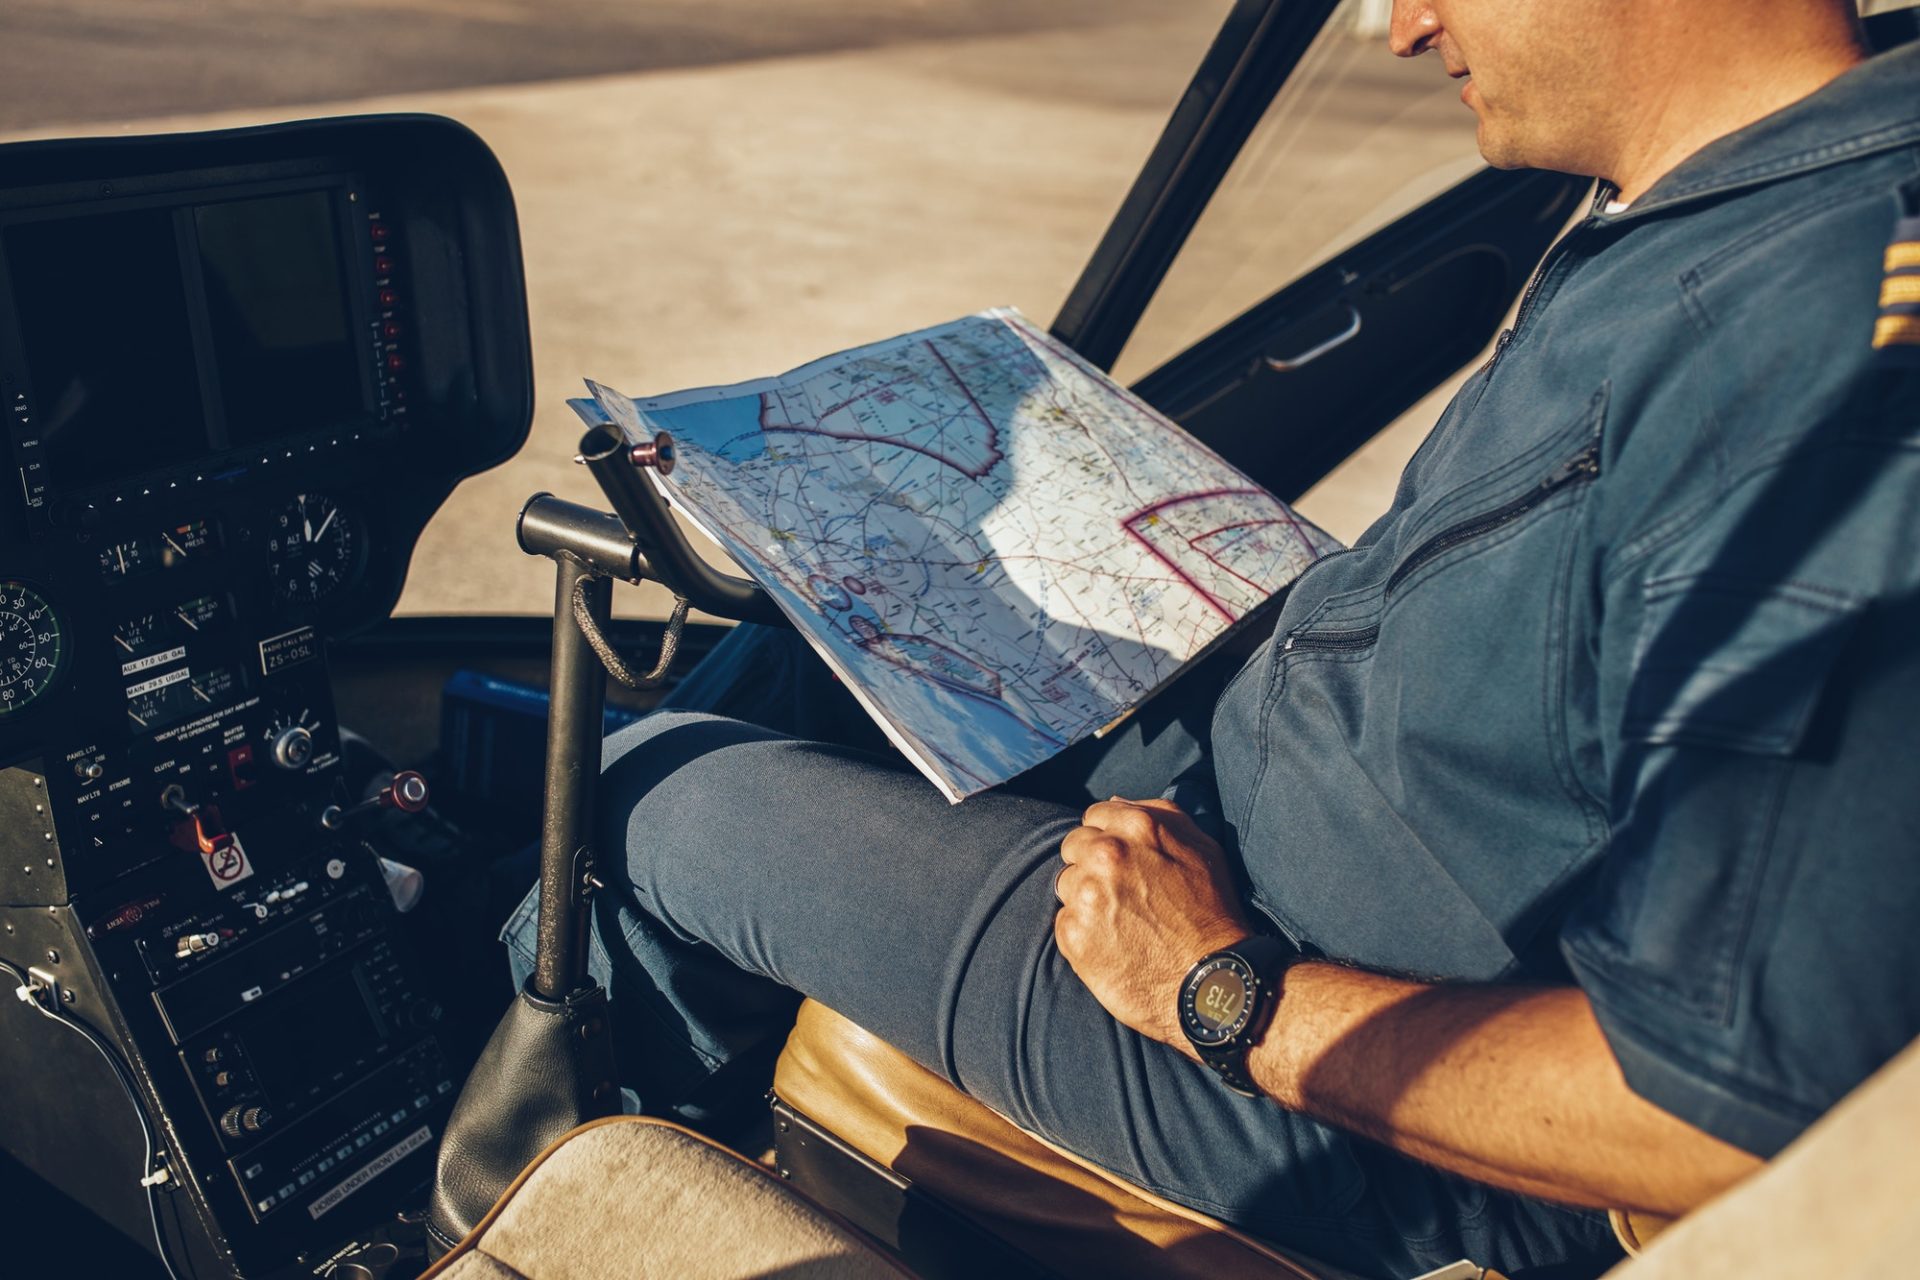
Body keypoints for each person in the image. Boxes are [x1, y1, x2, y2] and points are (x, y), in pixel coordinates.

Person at [502, 2, 1920, 1275]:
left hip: (1339, 1056)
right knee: (820, 620)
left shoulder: (1817, 366)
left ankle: (540, 1178)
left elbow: (1717, 1106)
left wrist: (1226, 991)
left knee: (654, 787)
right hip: (1296, 799)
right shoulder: (1716, 199)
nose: (1401, 25)